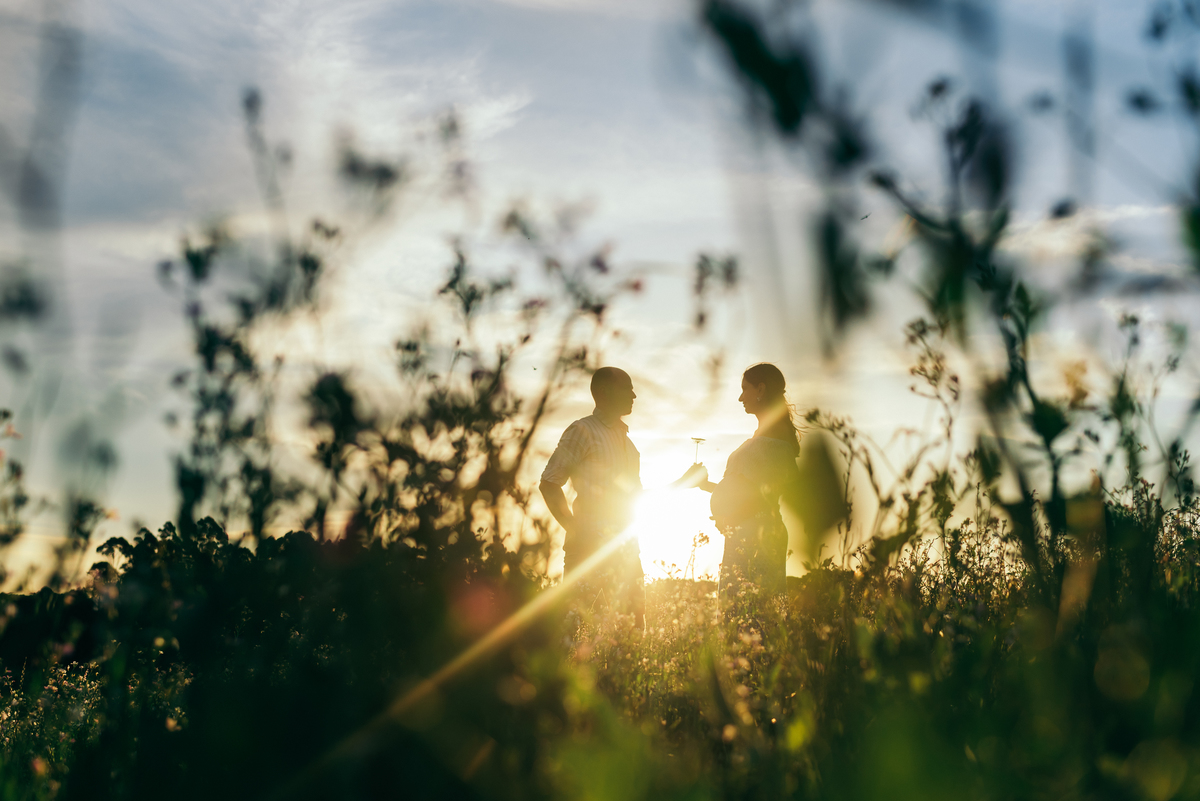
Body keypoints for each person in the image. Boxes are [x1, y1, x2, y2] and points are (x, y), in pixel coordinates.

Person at [679, 363, 800, 600]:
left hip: (758, 534)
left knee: (752, 607)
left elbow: (768, 496)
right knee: (739, 607)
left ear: (761, 389)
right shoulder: (764, 435)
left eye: (745, 389)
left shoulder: (776, 436)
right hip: (744, 531)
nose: (740, 397)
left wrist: (732, 516)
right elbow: (746, 492)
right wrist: (706, 486)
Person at [540, 367, 645, 629]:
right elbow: (549, 483)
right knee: (576, 628)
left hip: (627, 550)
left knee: (631, 630)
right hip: (587, 550)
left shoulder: (629, 445)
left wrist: (683, 483)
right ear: (604, 392)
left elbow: (637, 497)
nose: (634, 395)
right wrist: (575, 530)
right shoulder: (582, 430)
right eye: (627, 388)